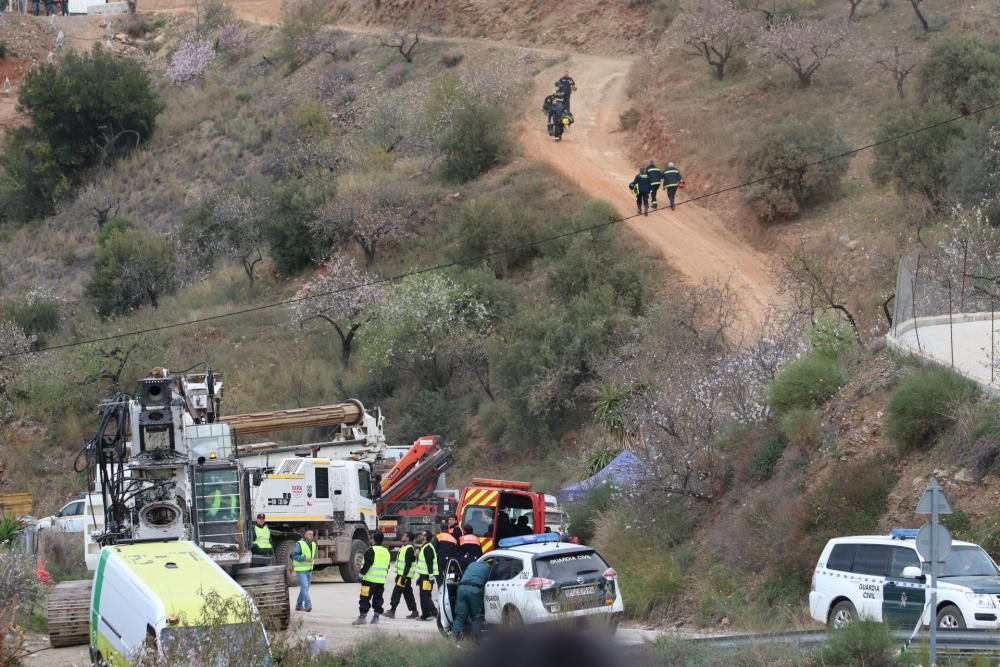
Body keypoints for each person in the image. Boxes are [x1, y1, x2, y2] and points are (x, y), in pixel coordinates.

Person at [449, 555, 491, 641]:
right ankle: (476, 642)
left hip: (461, 589)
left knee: (460, 617)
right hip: (474, 590)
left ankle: (453, 639)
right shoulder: (489, 568)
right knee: (476, 617)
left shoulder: (472, 564)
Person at [353, 531, 390, 625]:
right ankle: (376, 618)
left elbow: (367, 564)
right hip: (380, 581)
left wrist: (361, 574)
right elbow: (388, 566)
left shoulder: (370, 551)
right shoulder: (386, 551)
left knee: (365, 598)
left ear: (373, 540)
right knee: (378, 599)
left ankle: (362, 617)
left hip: (368, 580)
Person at [384, 532, 419, 619]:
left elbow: (408, 564)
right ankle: (414, 611)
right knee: (408, 593)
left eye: (404, 535)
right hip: (403, 575)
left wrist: (403, 576)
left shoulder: (409, 548)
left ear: (407, 538)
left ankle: (392, 610)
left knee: (397, 592)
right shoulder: (405, 547)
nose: (402, 536)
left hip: (404, 576)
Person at [415, 530, 439, 620]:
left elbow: (429, 563)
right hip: (423, 576)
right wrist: (420, 578)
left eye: (423, 535)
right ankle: (425, 615)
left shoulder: (428, 548)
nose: (421, 536)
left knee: (425, 596)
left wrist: (431, 576)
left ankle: (434, 612)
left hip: (427, 576)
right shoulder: (424, 547)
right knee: (423, 595)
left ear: (426, 537)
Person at [292, 529, 317, 612]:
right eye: (309, 534)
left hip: (309, 570)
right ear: (305, 535)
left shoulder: (313, 544)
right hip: (301, 570)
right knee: (305, 587)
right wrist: (305, 558)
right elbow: (294, 556)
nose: (311, 535)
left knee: (305, 588)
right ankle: (308, 605)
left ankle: (298, 605)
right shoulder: (300, 544)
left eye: (312, 534)